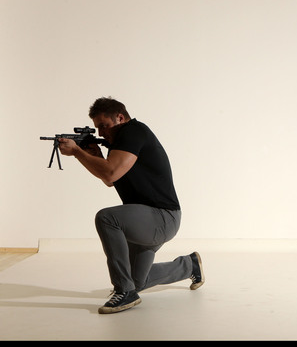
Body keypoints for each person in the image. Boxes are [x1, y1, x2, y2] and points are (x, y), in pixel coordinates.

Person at [58, 97, 204, 314]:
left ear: (120, 117)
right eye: (97, 128)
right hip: (146, 220)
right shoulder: (119, 143)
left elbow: (110, 172)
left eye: (104, 126)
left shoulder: (133, 131)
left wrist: (78, 152)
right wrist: (94, 155)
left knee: (107, 218)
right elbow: (109, 179)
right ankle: (189, 265)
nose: (100, 133)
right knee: (136, 281)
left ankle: (124, 292)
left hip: (161, 218)